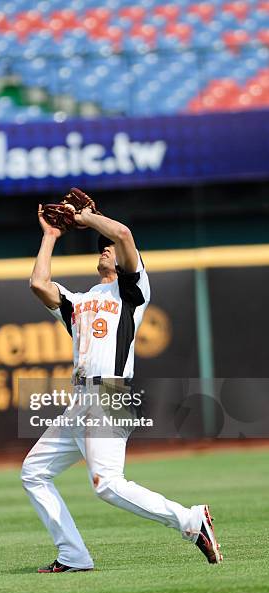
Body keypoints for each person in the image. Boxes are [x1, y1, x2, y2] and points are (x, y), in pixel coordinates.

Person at [21, 201, 222, 573]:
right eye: (100, 247)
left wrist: (86, 219)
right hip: (79, 402)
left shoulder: (132, 294)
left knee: (107, 485)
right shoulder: (78, 303)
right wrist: (50, 236)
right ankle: (74, 555)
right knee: (33, 473)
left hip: (109, 394)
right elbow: (38, 283)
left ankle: (191, 521)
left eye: (107, 247)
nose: (105, 249)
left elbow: (123, 234)